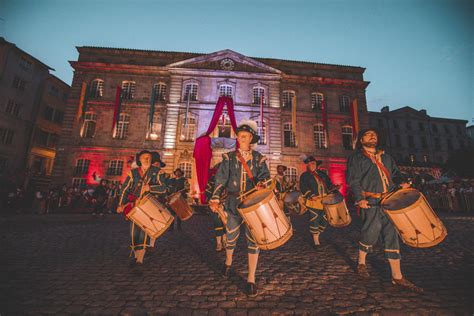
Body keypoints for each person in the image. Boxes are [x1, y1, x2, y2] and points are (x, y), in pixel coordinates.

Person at [346, 128, 423, 292]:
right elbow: (354, 180)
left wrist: (403, 181)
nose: (372, 135)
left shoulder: (386, 157)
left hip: (390, 200)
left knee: (391, 234)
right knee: (370, 232)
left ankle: (397, 276)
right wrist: (360, 199)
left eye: (374, 133)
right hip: (371, 200)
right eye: (368, 134)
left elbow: (395, 174)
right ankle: (361, 262)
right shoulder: (356, 158)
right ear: (361, 140)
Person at [209, 120, 270, 297]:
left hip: (252, 205)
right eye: (240, 136)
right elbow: (220, 179)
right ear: (237, 138)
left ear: (251, 138)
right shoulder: (229, 158)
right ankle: (228, 262)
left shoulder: (259, 158)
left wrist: (260, 183)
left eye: (246, 136)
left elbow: (266, 177)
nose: (242, 138)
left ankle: (251, 279)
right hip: (233, 203)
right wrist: (214, 198)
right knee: (231, 236)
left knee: (254, 240)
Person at [117, 150, 170, 266]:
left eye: (148, 157)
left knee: (144, 232)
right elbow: (125, 189)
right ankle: (136, 255)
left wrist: (150, 188)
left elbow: (164, 188)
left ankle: (140, 260)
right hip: (134, 207)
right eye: (144, 157)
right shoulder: (133, 173)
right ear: (139, 160)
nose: (146, 159)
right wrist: (121, 204)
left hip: (149, 206)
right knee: (134, 233)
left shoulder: (158, 172)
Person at [299, 156, 336, 247]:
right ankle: (316, 241)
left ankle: (317, 234)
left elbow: (329, 184)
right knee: (314, 219)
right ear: (307, 165)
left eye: (313, 163)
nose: (311, 165)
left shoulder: (323, 174)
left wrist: (334, 188)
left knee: (324, 219)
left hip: (325, 201)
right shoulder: (305, 176)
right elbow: (303, 187)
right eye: (309, 164)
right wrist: (311, 195)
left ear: (316, 164)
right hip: (313, 201)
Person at [205, 162, 226, 251]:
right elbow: (208, 191)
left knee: (225, 224)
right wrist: (212, 200)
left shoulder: (228, 179)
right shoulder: (212, 179)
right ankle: (219, 243)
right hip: (214, 205)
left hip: (225, 205)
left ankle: (225, 241)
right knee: (217, 224)